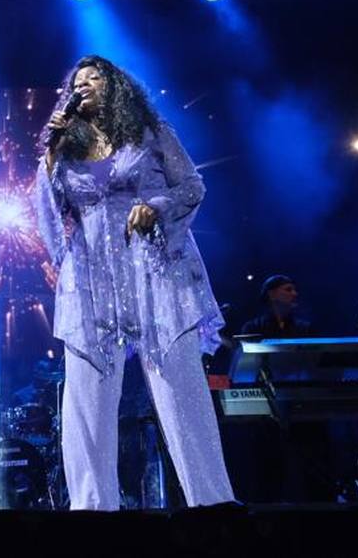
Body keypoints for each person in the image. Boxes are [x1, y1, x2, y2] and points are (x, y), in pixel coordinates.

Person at [33, 55, 233, 510]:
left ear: (115, 86)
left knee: (180, 388)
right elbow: (46, 212)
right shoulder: (64, 149)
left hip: (157, 270)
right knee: (86, 399)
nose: (82, 86)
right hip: (90, 280)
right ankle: (92, 507)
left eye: (93, 78)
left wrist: (156, 205)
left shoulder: (151, 131)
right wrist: (50, 150)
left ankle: (214, 504)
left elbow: (192, 186)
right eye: (76, 82)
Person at [240, 275, 314, 338]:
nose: (295, 294)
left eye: (294, 290)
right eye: (288, 290)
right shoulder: (253, 328)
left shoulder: (305, 328)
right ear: (272, 295)